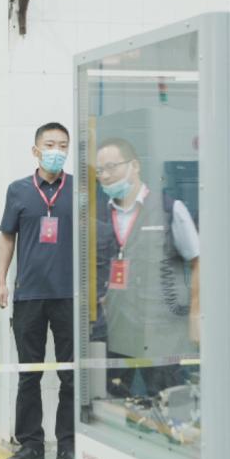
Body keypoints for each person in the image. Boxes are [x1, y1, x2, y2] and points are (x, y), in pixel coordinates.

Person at [0, 122, 75, 459]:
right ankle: (30, 443)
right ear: (36, 150)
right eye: (50, 144)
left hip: (69, 295)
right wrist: (1, 281)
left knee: (71, 374)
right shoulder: (18, 191)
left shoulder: (79, 189)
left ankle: (69, 444)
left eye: (63, 145)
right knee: (30, 373)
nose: (56, 151)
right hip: (29, 295)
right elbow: (6, 237)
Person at [95, 138, 199, 397]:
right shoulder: (100, 216)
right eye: (100, 170)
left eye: (111, 167)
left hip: (159, 328)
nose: (105, 176)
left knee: (167, 398)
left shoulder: (168, 209)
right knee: (113, 401)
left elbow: (198, 262)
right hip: (117, 330)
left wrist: (196, 315)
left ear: (135, 166)